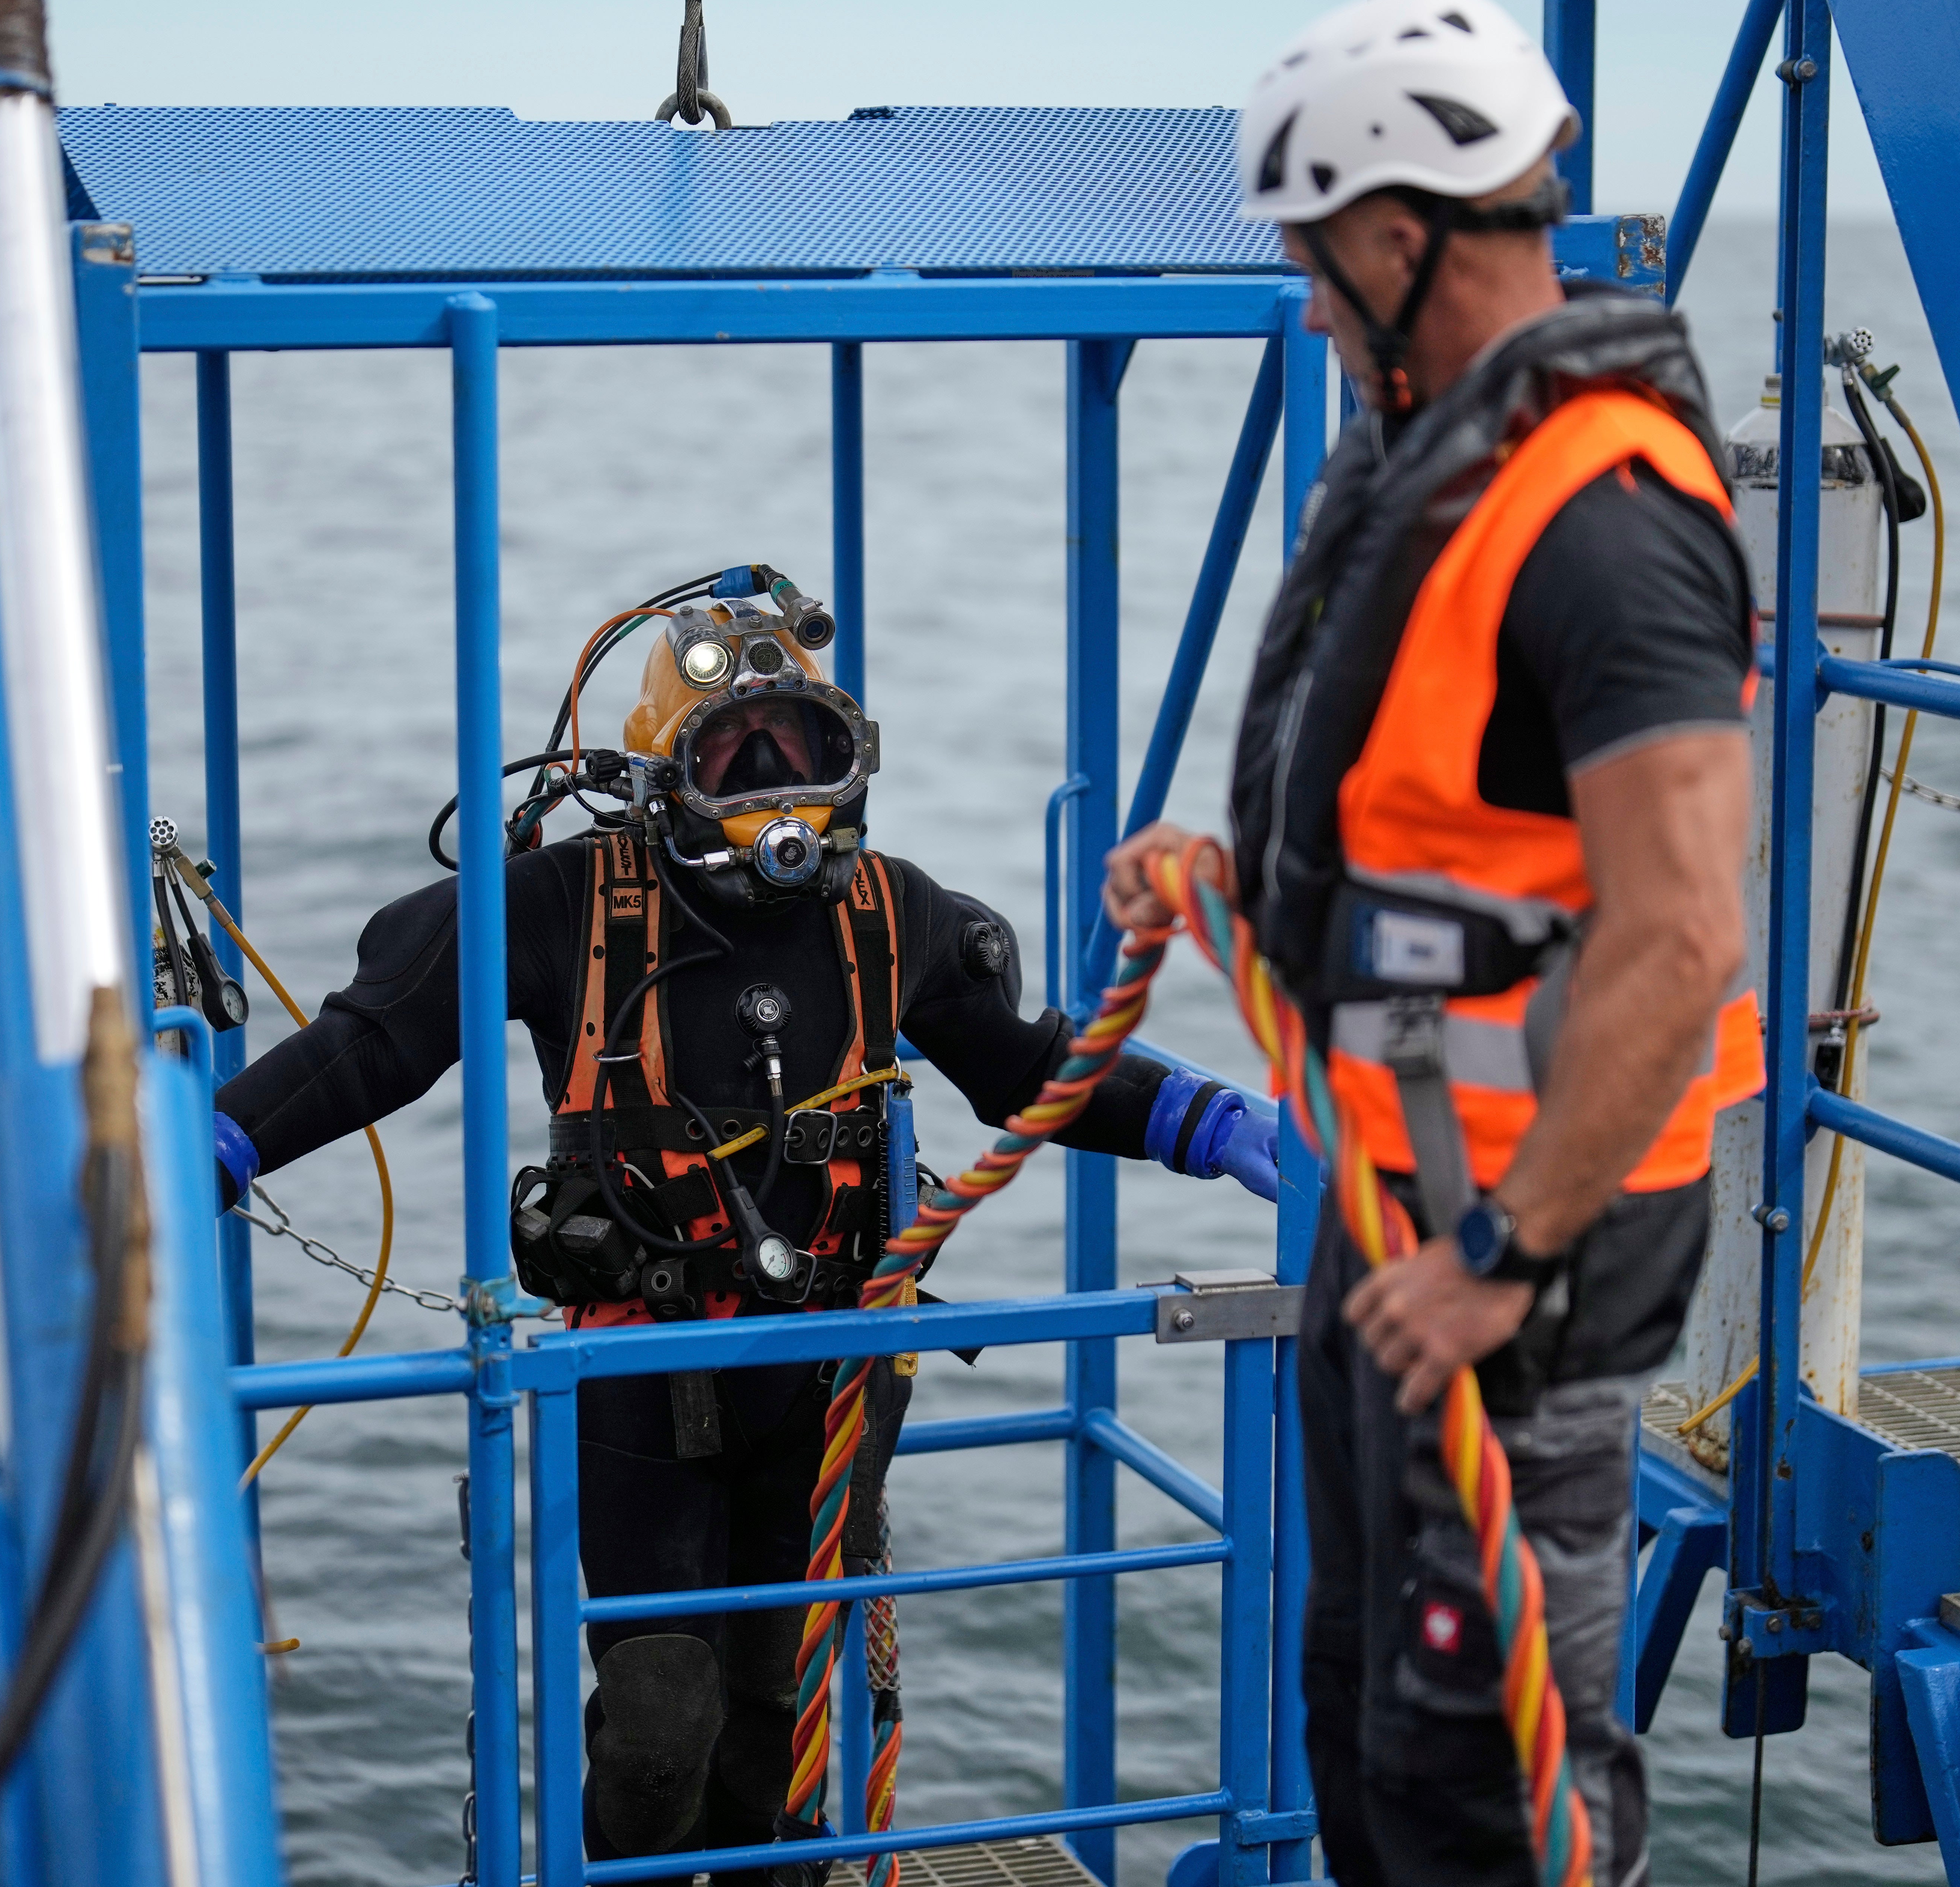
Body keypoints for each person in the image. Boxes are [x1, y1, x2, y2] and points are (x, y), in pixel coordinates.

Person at [208, 567, 1282, 1880]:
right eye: (736, 753)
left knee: (774, 1722)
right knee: (660, 1723)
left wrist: (1215, 1122)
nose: (780, 786)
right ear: (667, 778)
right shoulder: (569, 908)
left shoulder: (892, 913)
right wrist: (225, 1138)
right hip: (639, 1373)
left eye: (806, 748)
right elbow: (379, 1041)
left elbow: (1031, 1062)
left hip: (820, 1376)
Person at [1104, 0, 1764, 1887]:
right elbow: (1427, 807)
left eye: (1317, 261)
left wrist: (1501, 1252)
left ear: (1402, 238)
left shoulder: (1608, 523)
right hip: (1397, 1198)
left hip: (1517, 1254)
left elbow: (1676, 934)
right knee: (1364, 1725)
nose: (1308, 301)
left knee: (1490, 1783)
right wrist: (1219, 875)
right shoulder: (1439, 454)